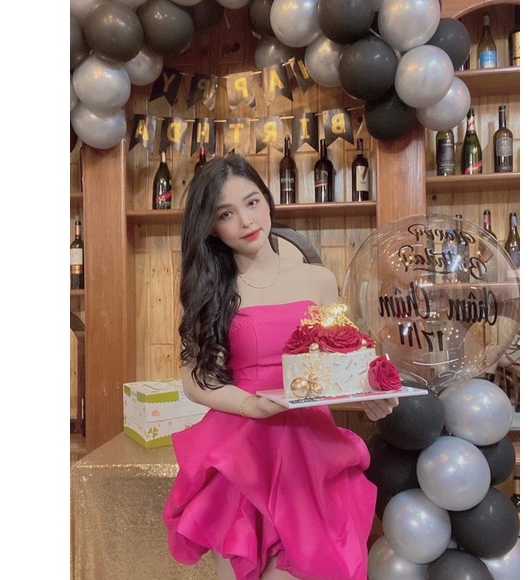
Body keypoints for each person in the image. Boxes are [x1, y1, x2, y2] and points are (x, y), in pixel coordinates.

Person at [162, 153, 399, 580]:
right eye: (226, 214)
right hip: (242, 449)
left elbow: (338, 360)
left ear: (267, 200)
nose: (246, 221)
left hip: (311, 447)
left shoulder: (318, 280)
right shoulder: (211, 289)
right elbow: (196, 380)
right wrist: (251, 405)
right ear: (212, 227)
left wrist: (369, 395)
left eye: (252, 202)